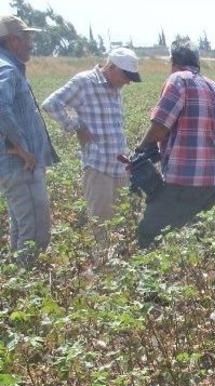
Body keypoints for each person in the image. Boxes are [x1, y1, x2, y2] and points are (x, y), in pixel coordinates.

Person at [131, 43, 215, 248]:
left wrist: (141, 149)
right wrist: (204, 136)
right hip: (213, 181)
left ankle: (152, 266)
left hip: (184, 179)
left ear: (174, 62)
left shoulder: (178, 80)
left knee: (149, 232)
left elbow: (160, 126)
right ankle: (201, 265)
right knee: (196, 233)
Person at [42, 48, 141, 246]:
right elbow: (51, 104)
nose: (128, 82)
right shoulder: (84, 82)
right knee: (101, 225)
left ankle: (119, 258)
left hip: (120, 166)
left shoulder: (116, 89)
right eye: (125, 76)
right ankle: (103, 261)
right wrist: (76, 126)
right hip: (98, 165)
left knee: (123, 221)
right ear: (111, 67)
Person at [0, 14, 57, 265]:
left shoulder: (9, 67)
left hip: (18, 165)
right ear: (13, 40)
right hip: (20, 165)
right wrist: (22, 149)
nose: (31, 44)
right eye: (27, 38)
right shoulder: (6, 68)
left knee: (23, 227)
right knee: (35, 232)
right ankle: (26, 277)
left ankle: (17, 278)